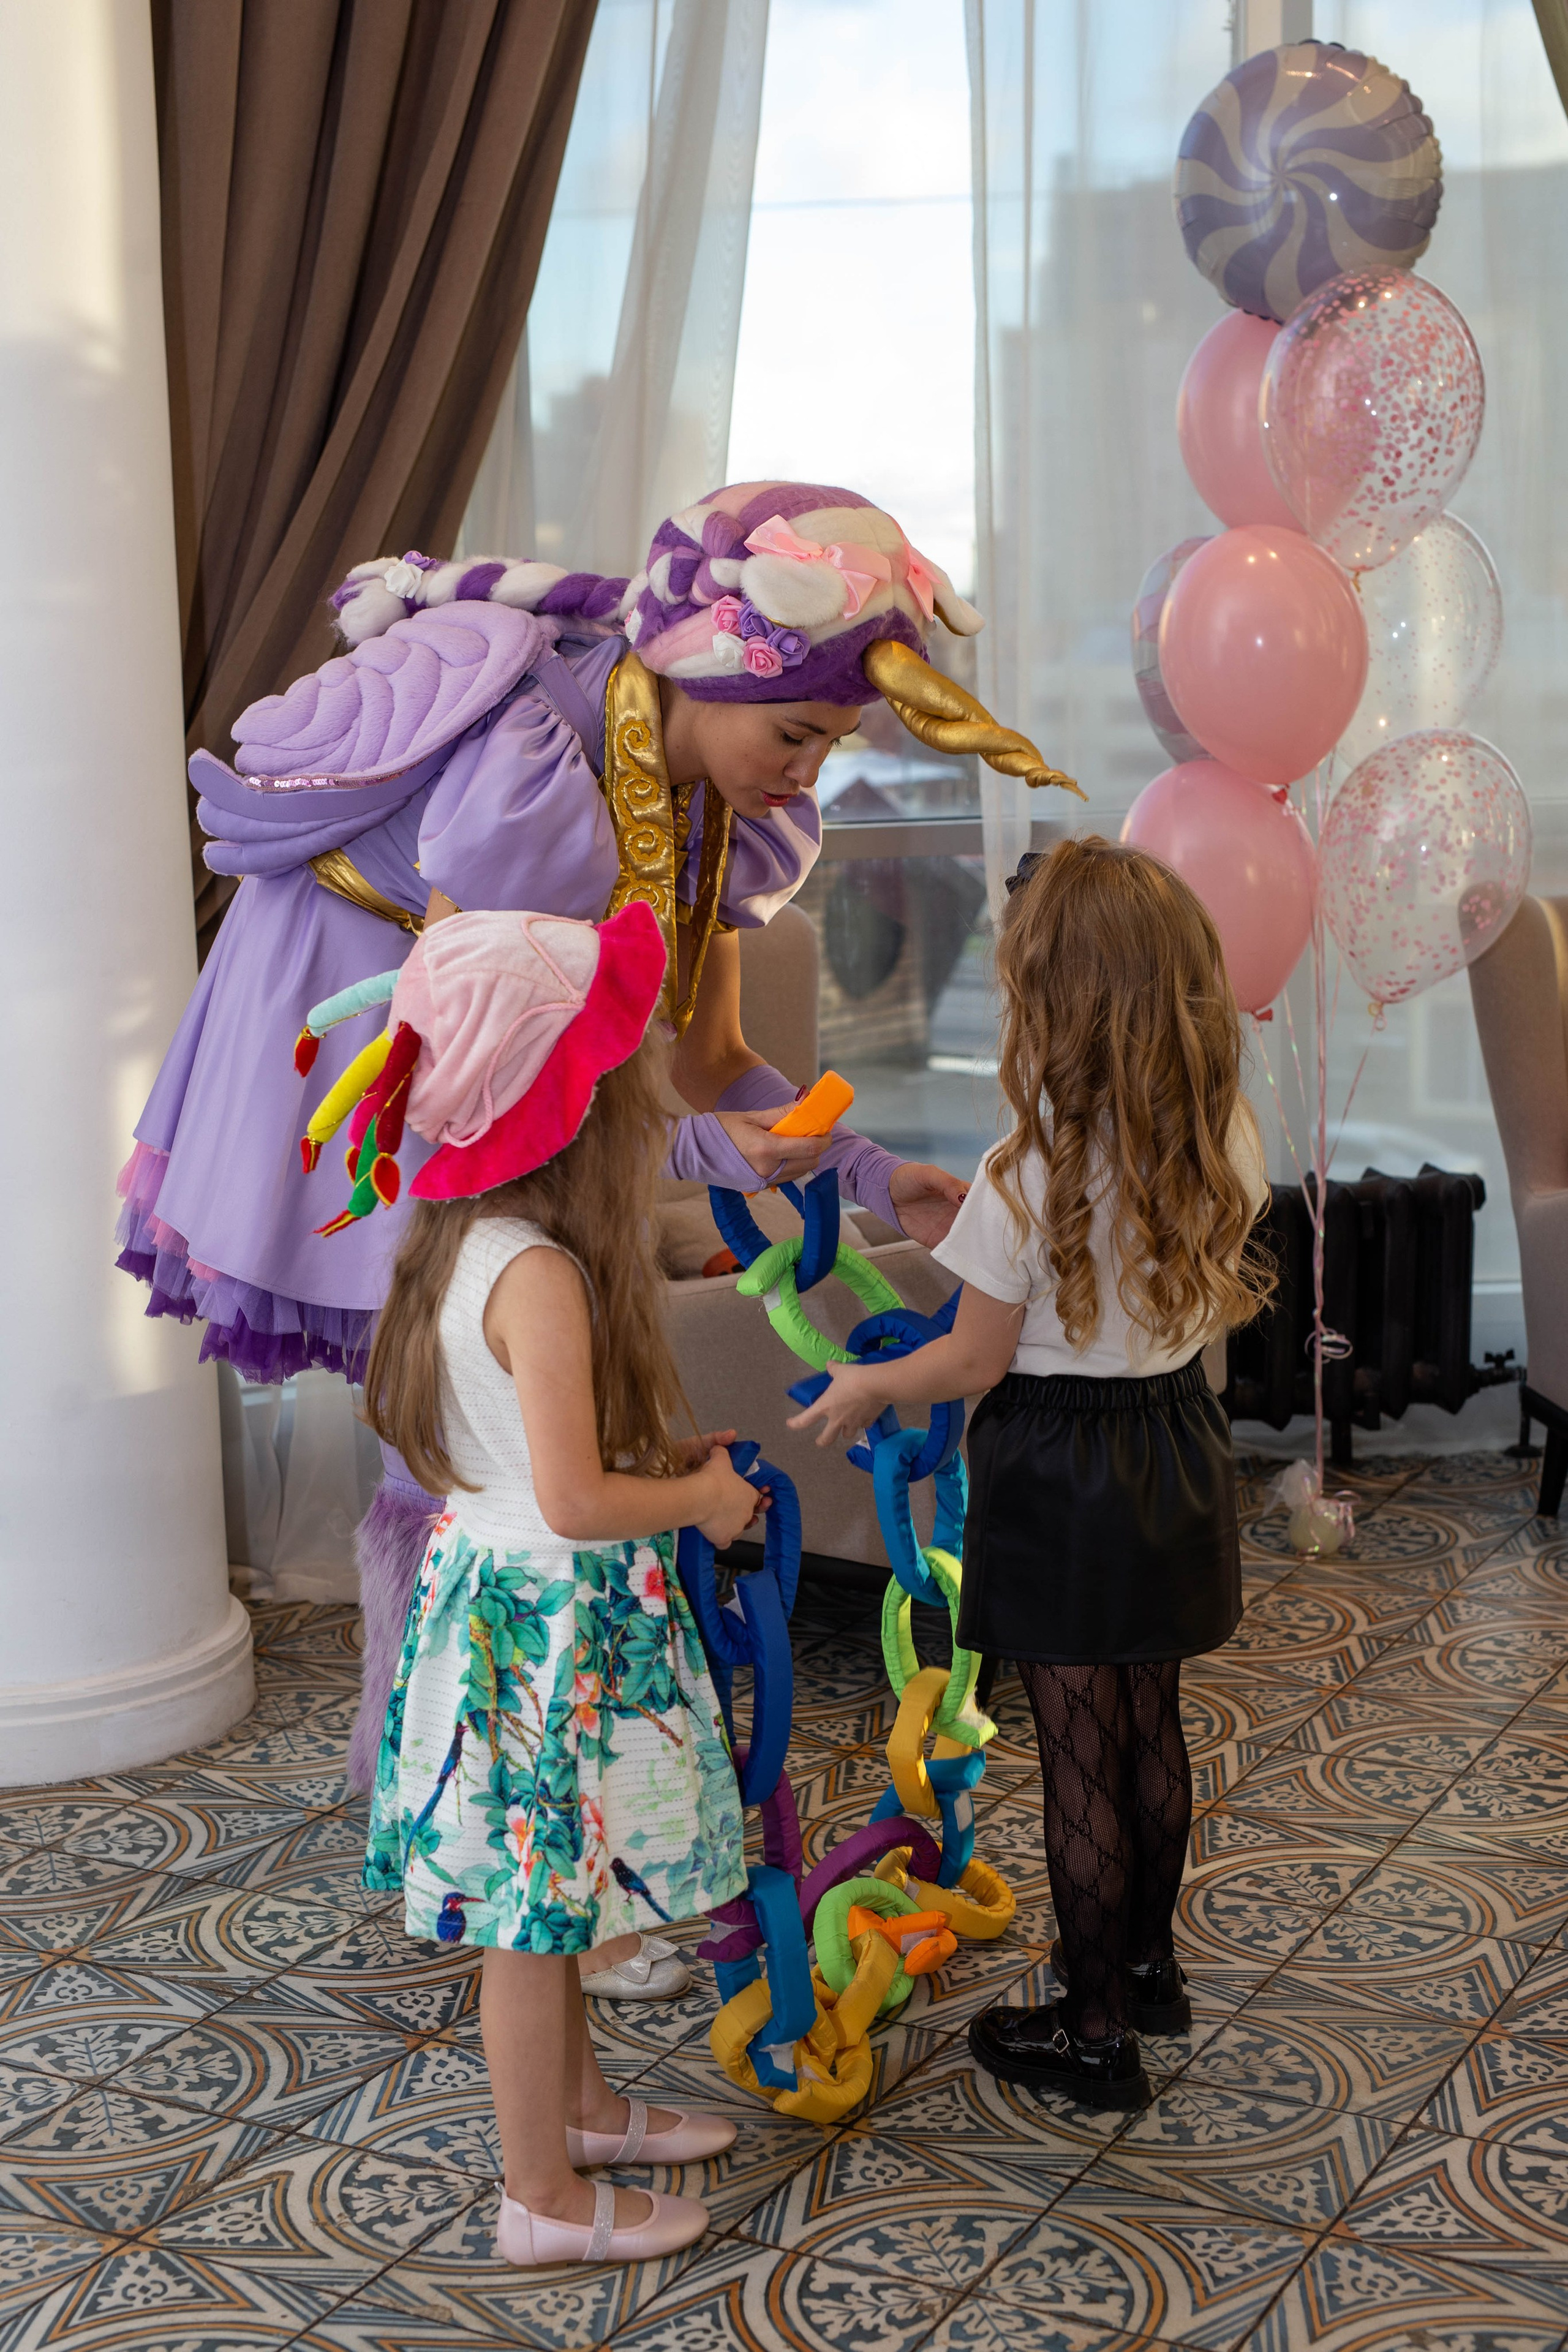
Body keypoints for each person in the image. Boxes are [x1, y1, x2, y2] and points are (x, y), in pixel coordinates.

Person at [116, 481, 1079, 1861]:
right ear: (696, 668)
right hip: (370, 1048)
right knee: (465, 1459)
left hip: (482, 1090)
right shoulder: (530, 763)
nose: (807, 769)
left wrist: (865, 1173)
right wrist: (705, 1152)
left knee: (488, 1457)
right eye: (794, 730)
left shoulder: (709, 811)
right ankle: (480, 1819)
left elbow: (709, 1058)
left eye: (832, 742)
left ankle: (487, 1807)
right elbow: (487, 1074)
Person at [789, 837, 1270, 2110]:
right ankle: (1151, 1973)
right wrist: (980, 1237)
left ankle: (1094, 2031)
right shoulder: (1218, 1128)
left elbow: (967, 1359)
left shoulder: (1030, 1165)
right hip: (1170, 1447)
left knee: (1077, 1762)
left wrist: (862, 1384)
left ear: (1056, 1001)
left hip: (1060, 1474)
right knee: (1149, 1727)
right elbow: (1100, 1282)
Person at [356, 894, 760, 2265]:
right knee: (530, 1933)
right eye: (622, 1088)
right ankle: (542, 2196)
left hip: (496, 1608)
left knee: (557, 1900)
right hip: (546, 1630)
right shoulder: (538, 1275)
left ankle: (580, 2110)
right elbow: (580, 1502)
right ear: (565, 1112)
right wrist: (700, 1499)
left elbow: (536, 1461)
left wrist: (652, 1456)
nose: (641, 1113)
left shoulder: (455, 1248)